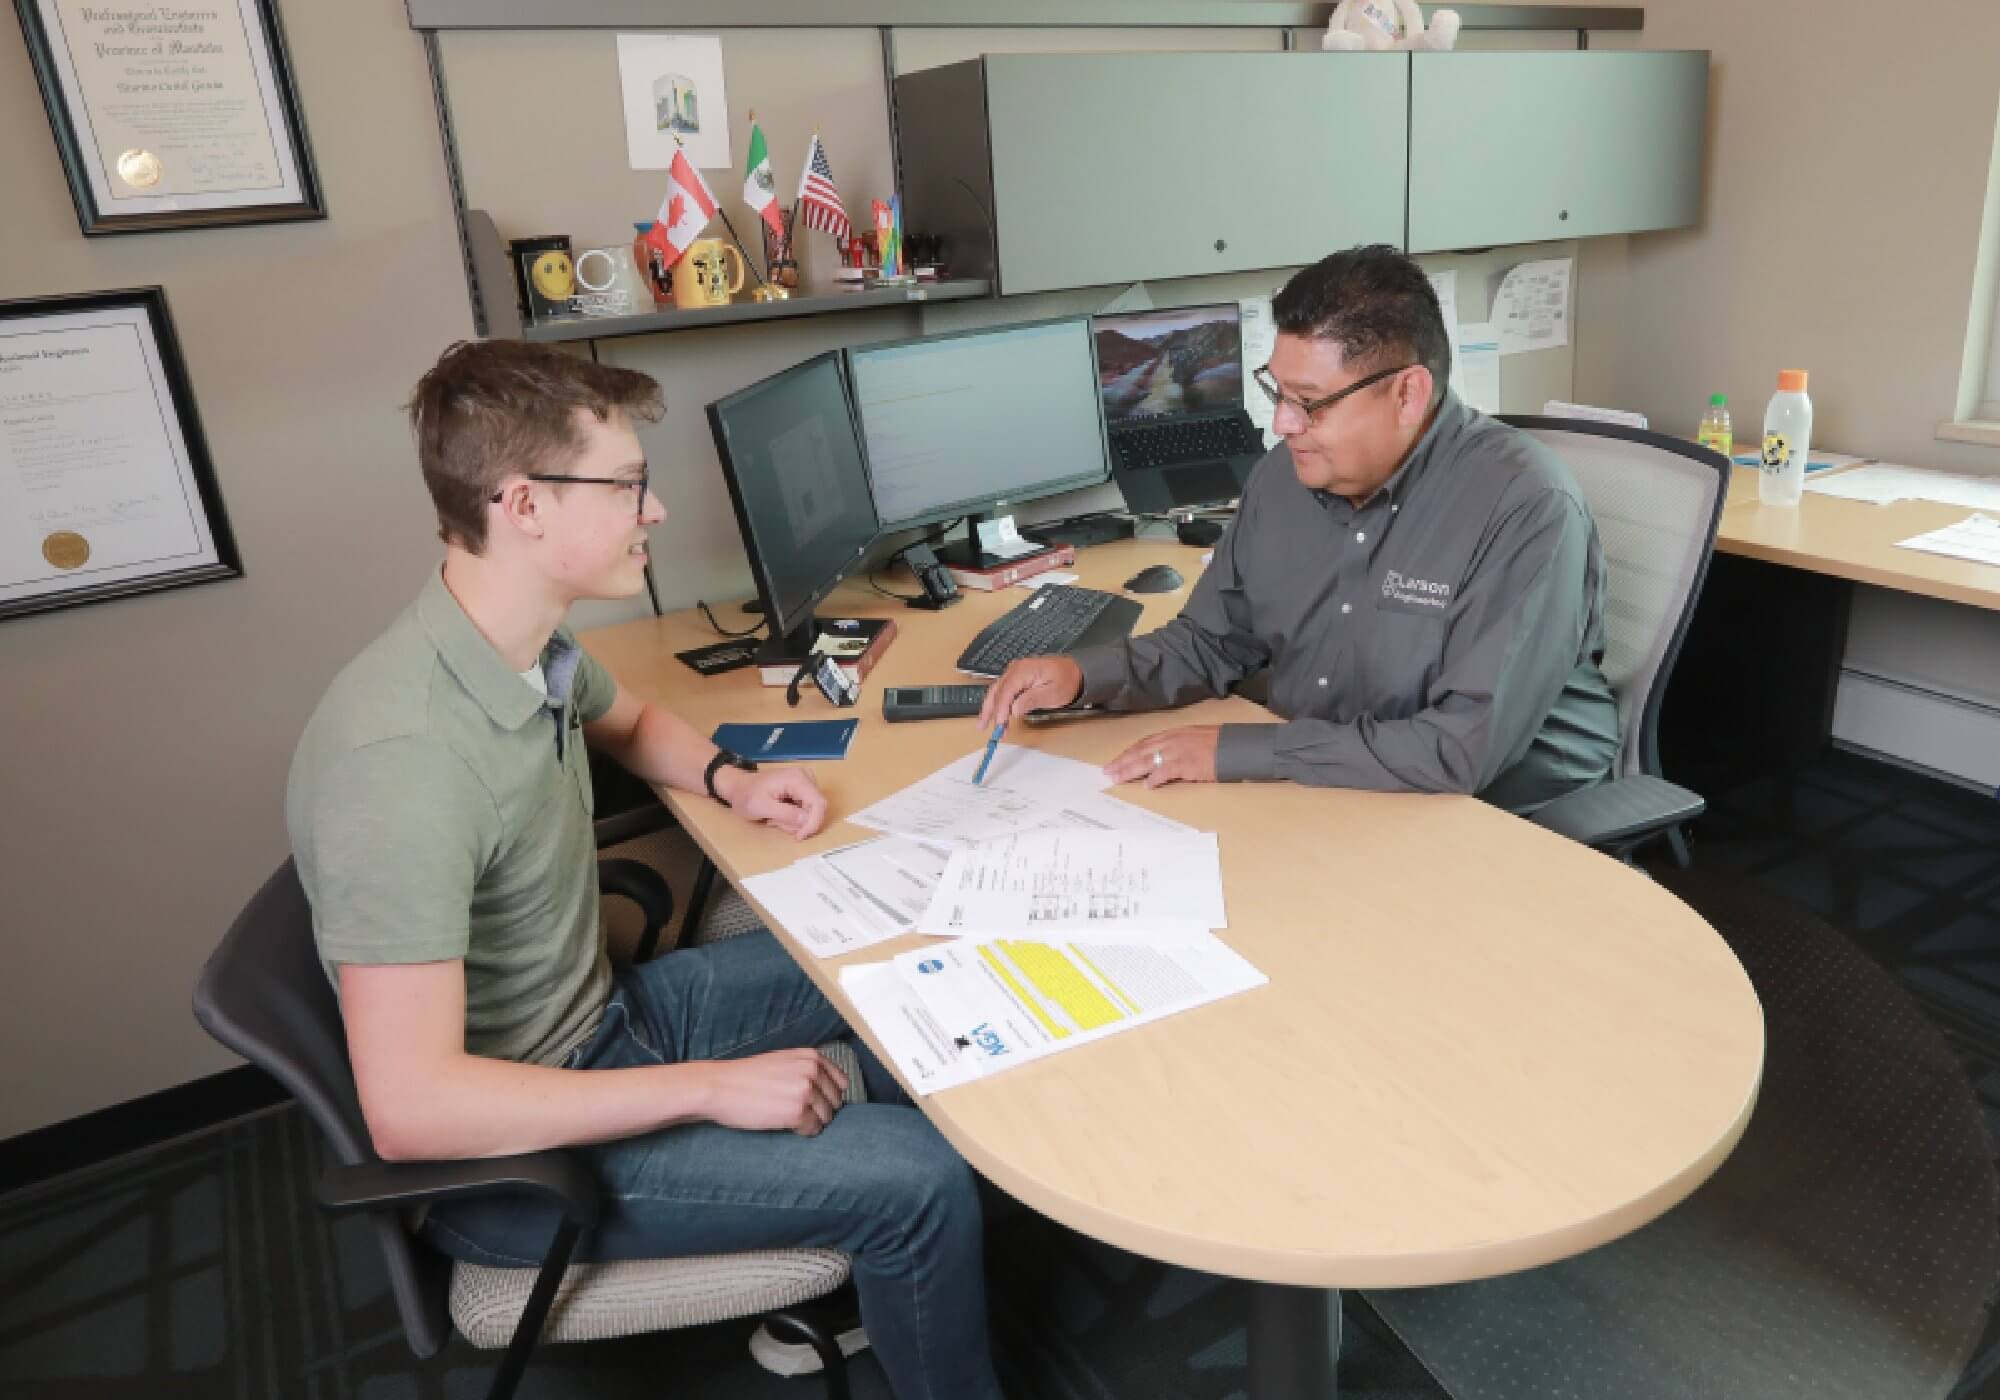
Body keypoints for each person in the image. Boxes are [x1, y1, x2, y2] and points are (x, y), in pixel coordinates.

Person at [286, 339, 1005, 1400]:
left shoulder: (519, 646)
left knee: (891, 959)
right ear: (523, 504)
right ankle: (893, 1235)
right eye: (627, 485)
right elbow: (412, 1109)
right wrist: (713, 1089)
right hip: (517, 1151)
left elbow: (627, 720)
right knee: (923, 1179)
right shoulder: (403, 766)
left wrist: (730, 776)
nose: (653, 510)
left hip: (601, 1022)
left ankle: (872, 1242)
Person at [980, 244, 1619, 815]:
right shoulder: (1283, 478)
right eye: (1276, 392)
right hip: (1332, 782)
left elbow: (1459, 750)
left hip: (1500, 816)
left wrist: (1241, 751)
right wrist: (1084, 677)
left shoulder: (1526, 506)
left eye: (1309, 402)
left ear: (1408, 395)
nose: (1284, 424)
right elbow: (1211, 642)